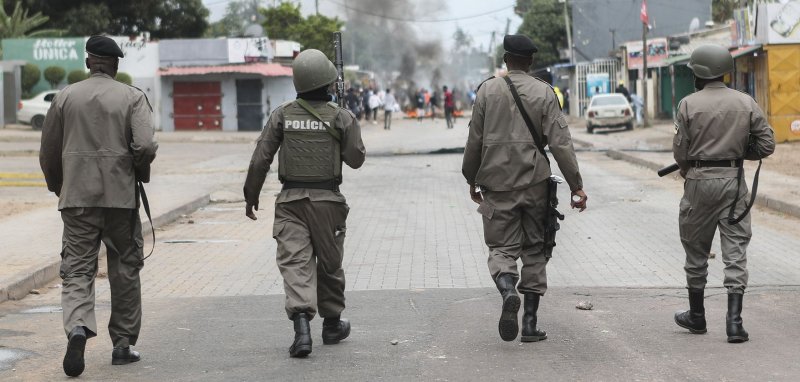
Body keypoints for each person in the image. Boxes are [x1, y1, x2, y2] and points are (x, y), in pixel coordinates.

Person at [39, 35, 158, 377]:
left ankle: (77, 327)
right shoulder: (133, 97)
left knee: (77, 269)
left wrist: (59, 186)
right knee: (124, 268)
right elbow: (146, 145)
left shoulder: (64, 97)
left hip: (77, 200)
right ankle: (122, 346)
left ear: (88, 61)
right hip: (120, 200)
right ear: (116, 65)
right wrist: (136, 170)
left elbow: (48, 151)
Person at [462, 34, 588, 343]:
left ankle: (507, 290)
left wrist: (471, 178)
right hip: (535, 184)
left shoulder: (486, 91)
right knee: (535, 249)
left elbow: (474, 142)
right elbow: (560, 143)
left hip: (496, 185)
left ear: (506, 60)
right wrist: (576, 186)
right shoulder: (544, 93)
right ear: (530, 62)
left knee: (502, 248)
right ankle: (530, 325)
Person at [243, 49, 366, 358]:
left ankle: (302, 331)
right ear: (328, 82)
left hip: (291, 202)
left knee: (296, 265)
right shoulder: (340, 116)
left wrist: (251, 195)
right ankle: (332, 324)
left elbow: (260, 159)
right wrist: (348, 120)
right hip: (328, 201)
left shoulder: (282, 114)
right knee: (329, 264)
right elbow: (356, 159)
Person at [672, 44, 775, 343]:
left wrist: (688, 168)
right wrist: (740, 152)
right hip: (733, 182)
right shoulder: (746, 102)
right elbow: (766, 144)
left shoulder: (687, 105)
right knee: (735, 252)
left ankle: (697, 317)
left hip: (699, 182)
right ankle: (734, 323)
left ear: (700, 73)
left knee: (696, 251)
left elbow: (681, 151)